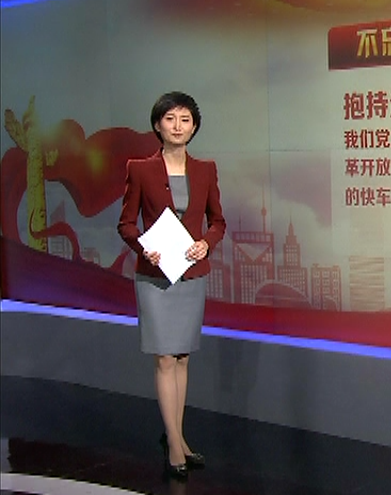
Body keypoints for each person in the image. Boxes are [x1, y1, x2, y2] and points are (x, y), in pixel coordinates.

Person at [117, 91, 226, 479]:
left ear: (194, 127)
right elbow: (126, 223)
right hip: (155, 276)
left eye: (185, 119)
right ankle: (176, 446)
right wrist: (143, 247)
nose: (178, 126)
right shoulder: (140, 169)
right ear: (157, 125)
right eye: (170, 119)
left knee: (181, 357)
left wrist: (206, 243)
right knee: (164, 357)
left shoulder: (206, 170)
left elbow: (217, 222)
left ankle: (176, 437)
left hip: (191, 274)